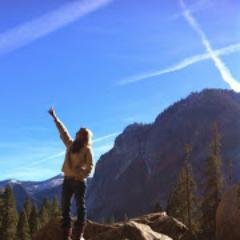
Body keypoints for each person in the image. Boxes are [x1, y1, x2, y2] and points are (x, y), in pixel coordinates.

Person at [48, 107, 93, 240]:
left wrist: (81, 176)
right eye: (77, 132)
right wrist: (55, 118)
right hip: (67, 180)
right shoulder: (70, 144)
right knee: (65, 207)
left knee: (80, 207)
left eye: (79, 132)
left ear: (84, 136)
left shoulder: (87, 149)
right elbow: (63, 132)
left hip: (79, 181)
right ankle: (66, 236)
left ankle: (79, 235)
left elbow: (90, 165)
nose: (76, 133)